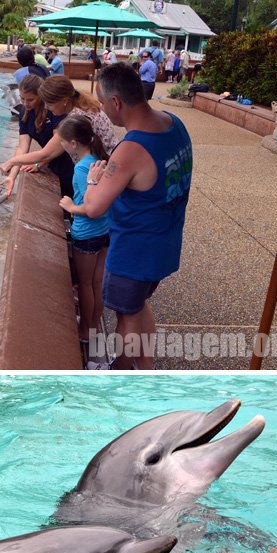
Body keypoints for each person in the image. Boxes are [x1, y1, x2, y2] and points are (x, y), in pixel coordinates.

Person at [79, 62, 193, 369]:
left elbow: (93, 207)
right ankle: (146, 368)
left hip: (134, 253)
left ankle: (121, 372)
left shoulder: (130, 150)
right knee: (138, 306)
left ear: (115, 102)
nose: (102, 109)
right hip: (163, 246)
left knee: (127, 316)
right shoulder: (174, 123)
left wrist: (93, 179)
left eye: (102, 103)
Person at [0, 74, 118, 188]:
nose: (46, 107)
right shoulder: (81, 107)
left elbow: (46, 153)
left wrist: (12, 161)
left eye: (49, 104)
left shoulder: (76, 119)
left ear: (64, 101)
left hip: (105, 172)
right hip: (103, 167)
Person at [57, 114, 110, 354]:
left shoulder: (82, 167)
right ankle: (94, 330)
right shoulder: (99, 160)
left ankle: (85, 331)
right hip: (104, 233)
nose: (61, 145)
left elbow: (89, 208)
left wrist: (69, 207)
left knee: (86, 285)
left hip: (86, 233)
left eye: (62, 141)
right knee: (96, 284)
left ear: (74, 143)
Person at [0, 73, 74, 199]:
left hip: (68, 166)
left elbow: (52, 149)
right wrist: (12, 176)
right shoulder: (24, 113)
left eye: (30, 99)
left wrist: (38, 164)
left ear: (41, 96)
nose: (26, 104)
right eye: (22, 99)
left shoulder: (55, 109)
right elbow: (22, 148)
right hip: (53, 165)